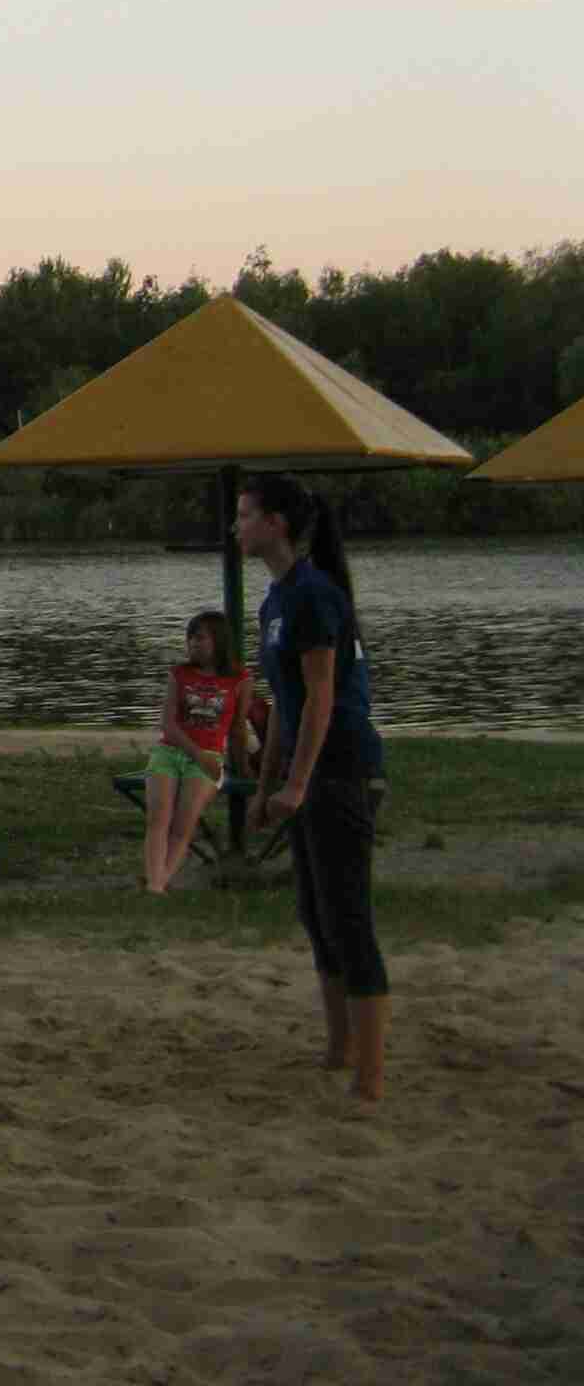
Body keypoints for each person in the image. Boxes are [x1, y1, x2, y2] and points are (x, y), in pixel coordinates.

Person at [241, 472, 388, 1103]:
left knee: (347, 917)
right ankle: (339, 1049)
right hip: (308, 772)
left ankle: (370, 1077)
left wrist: (298, 784)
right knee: (315, 912)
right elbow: (284, 703)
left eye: (244, 515)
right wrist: (264, 786)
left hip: (343, 768)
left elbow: (323, 697)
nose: (236, 527)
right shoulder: (275, 602)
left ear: (275, 524)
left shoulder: (315, 594)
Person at [143, 607, 253, 892]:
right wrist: (196, 753)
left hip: (210, 757)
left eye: (200, 637)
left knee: (184, 825)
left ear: (219, 641)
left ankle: (159, 884)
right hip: (170, 752)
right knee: (158, 819)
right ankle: (155, 885)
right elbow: (168, 724)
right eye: (190, 637)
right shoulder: (179, 674)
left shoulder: (240, 680)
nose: (193, 643)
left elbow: (238, 729)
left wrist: (243, 768)